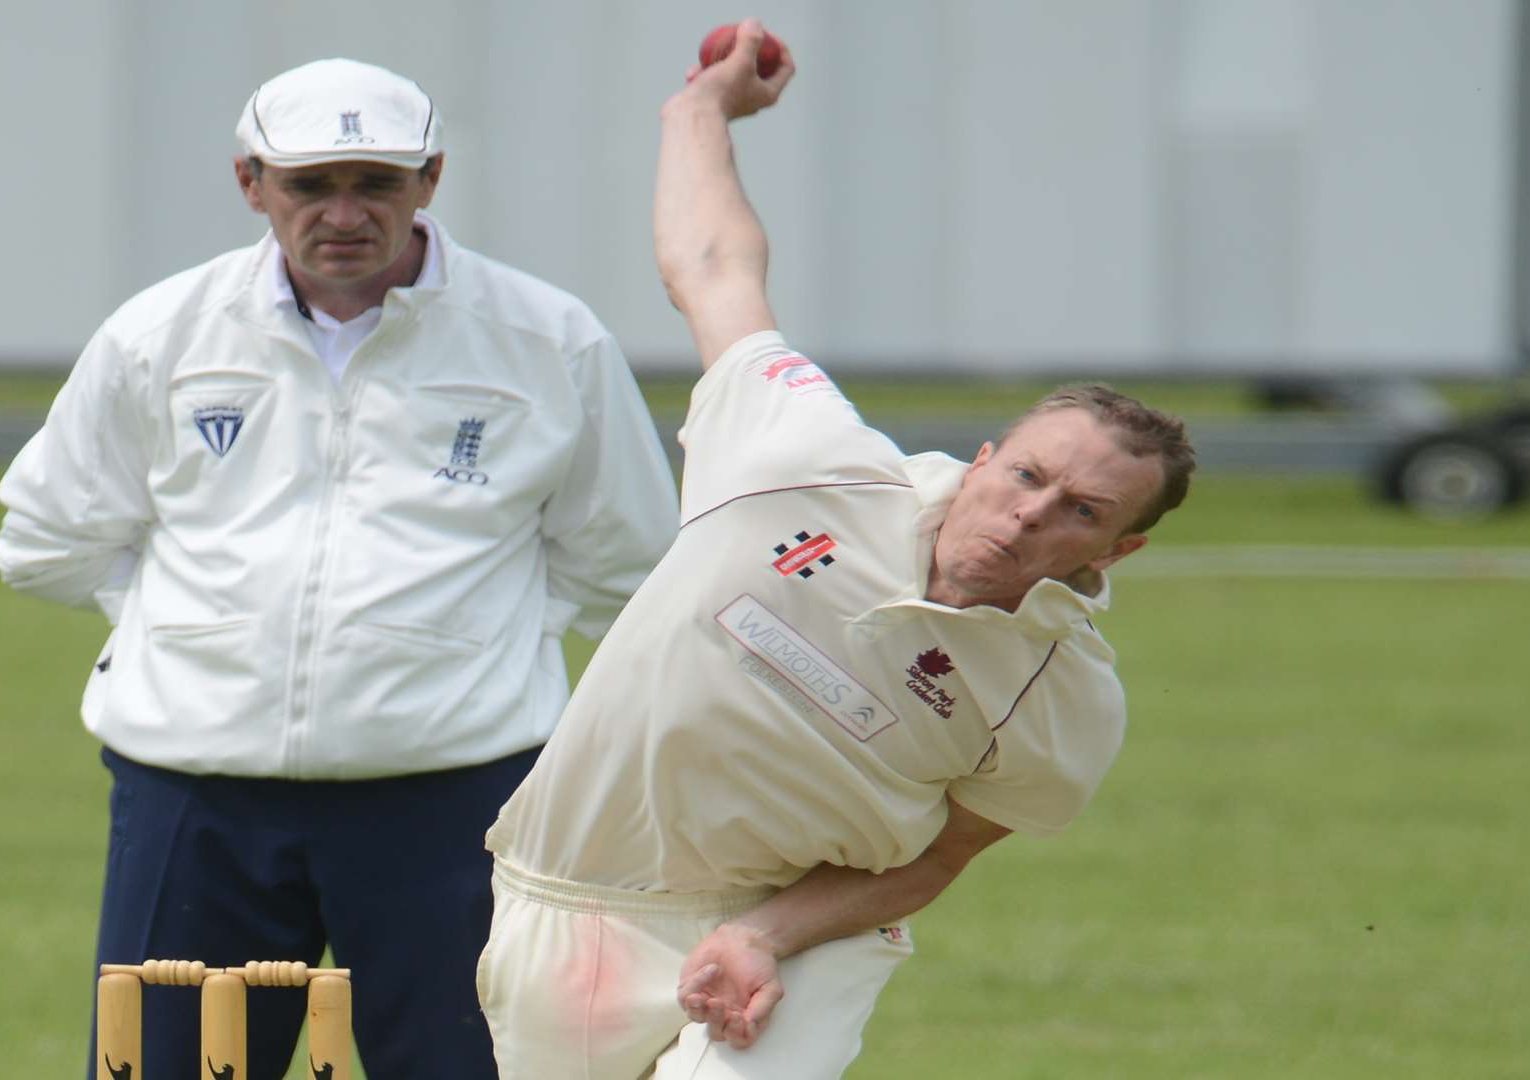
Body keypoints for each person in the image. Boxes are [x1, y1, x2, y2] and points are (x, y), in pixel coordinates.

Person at [475, 20, 1198, 1079]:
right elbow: (715, 268)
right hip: (568, 896)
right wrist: (701, 111)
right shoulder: (803, 459)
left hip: (801, 926)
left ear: (1118, 549)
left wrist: (767, 934)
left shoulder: (1062, 699)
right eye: (1027, 476)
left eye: (1080, 513)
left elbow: (940, 858)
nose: (1031, 515)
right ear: (988, 456)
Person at [0, 57, 679, 1080]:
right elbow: (45, 539)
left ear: (430, 180)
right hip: (196, 797)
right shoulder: (159, 335)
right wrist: (194, 632)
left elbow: (628, 561)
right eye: (312, 186)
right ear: (252, 184)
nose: (345, 214)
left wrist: (480, 644)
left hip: (456, 800)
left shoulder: (547, 341)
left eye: (377, 184)